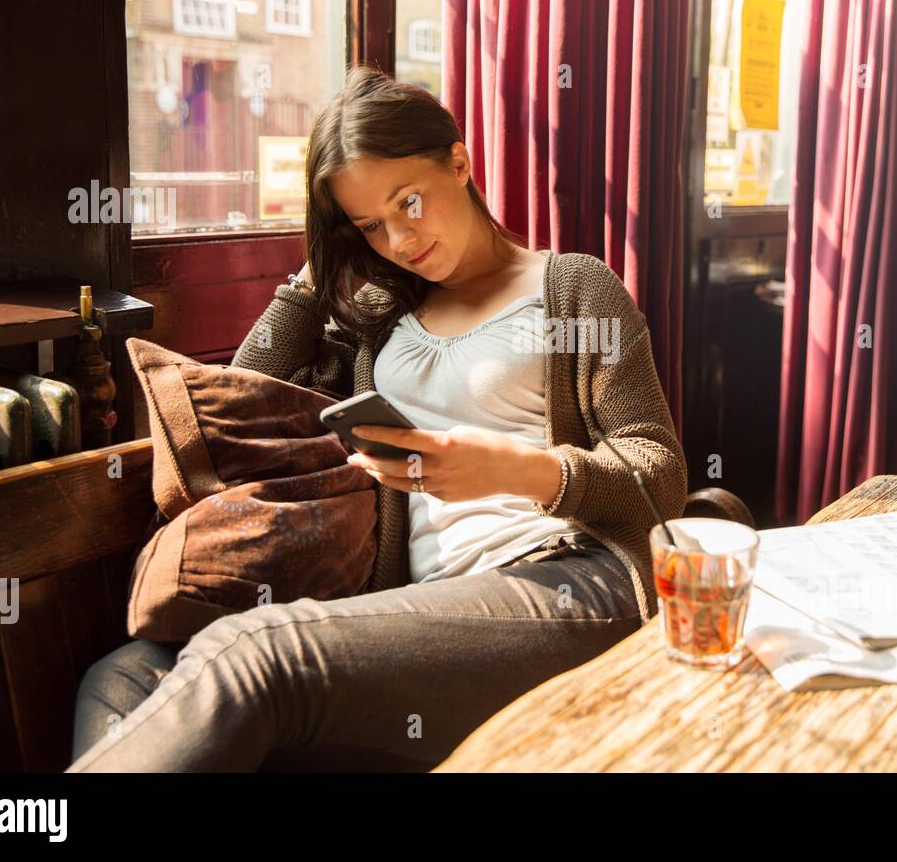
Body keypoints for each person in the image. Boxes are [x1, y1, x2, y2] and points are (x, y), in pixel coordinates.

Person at [67, 66, 687, 771]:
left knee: (250, 655)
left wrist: (512, 471)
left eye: (410, 202)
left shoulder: (572, 287)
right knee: (122, 678)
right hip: (423, 607)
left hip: (573, 582)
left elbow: (658, 476)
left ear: (459, 162)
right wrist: (317, 271)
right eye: (370, 224)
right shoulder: (381, 322)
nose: (400, 240)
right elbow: (242, 397)